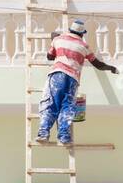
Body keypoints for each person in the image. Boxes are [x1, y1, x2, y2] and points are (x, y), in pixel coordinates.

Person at [36, 18, 118, 146]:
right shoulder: (84, 46)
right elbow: (98, 65)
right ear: (82, 34)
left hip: (57, 75)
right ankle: (64, 136)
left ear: (70, 30)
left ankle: (43, 133)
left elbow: (50, 57)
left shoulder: (58, 40)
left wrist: (53, 39)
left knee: (50, 103)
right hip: (72, 79)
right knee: (67, 107)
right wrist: (111, 68)